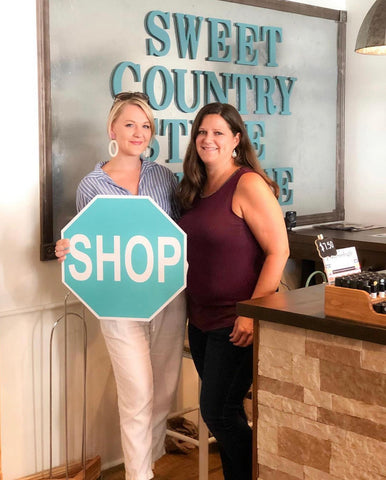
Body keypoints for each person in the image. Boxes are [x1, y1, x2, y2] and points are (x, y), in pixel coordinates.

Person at [55, 92, 186, 480]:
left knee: (163, 390)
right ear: (112, 128)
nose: (138, 132)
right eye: (130, 124)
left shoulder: (164, 177)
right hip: (118, 304)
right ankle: (138, 475)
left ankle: (150, 457)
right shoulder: (91, 185)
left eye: (146, 126)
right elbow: (88, 242)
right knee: (137, 393)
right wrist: (69, 248)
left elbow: (178, 232)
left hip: (167, 298)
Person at [177, 102, 289, 479]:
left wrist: (251, 312)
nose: (208, 140)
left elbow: (279, 251)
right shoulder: (194, 187)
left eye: (218, 133)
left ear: (236, 140)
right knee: (226, 415)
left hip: (236, 322)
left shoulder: (247, 183)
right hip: (202, 321)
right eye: (202, 132)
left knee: (219, 414)